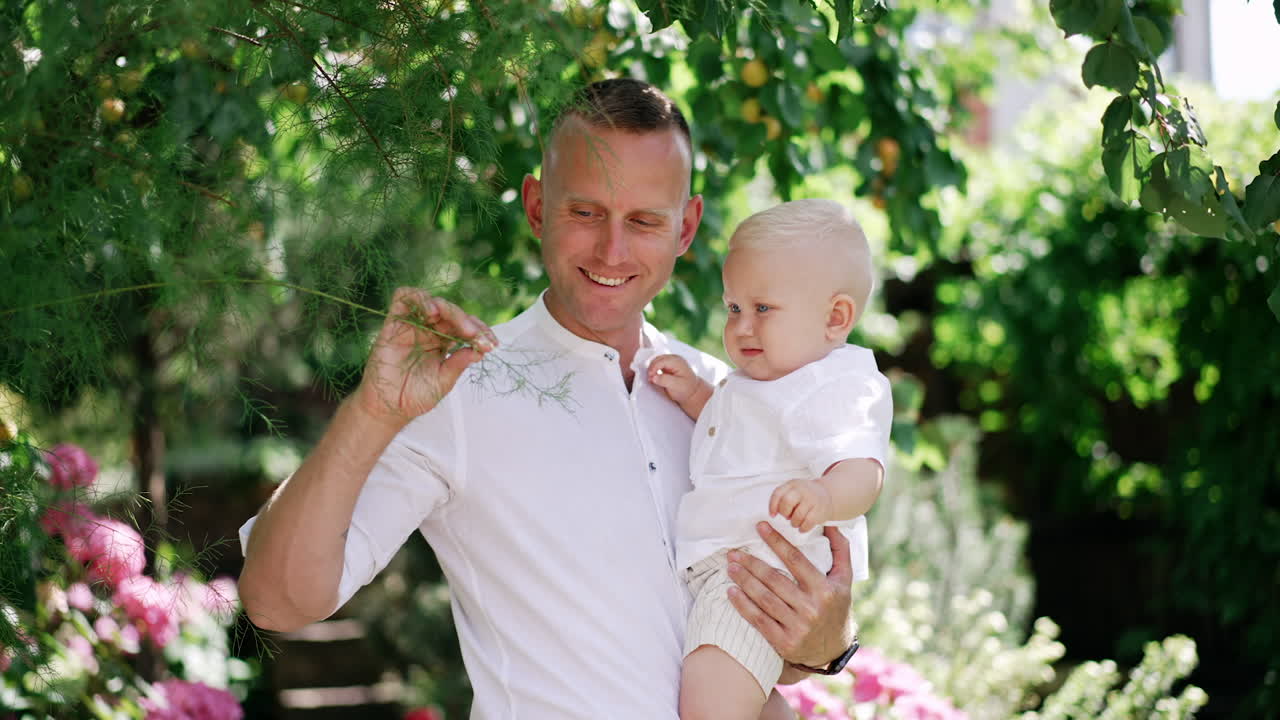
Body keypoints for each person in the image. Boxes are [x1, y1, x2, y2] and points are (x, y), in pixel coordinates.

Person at [236, 79, 859, 719]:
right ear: (537, 207)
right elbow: (278, 601)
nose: (612, 250)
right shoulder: (453, 390)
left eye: (644, 220)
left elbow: (766, 621)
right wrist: (370, 414)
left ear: (686, 227)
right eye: (585, 213)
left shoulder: (728, 399)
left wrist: (827, 646)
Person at [646, 199, 892, 719]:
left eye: (762, 309)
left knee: (711, 703)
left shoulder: (836, 383)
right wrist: (692, 391)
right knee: (747, 700)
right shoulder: (760, 382)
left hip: (760, 578)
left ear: (835, 317)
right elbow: (726, 428)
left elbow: (864, 471)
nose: (740, 327)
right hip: (733, 577)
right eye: (734, 308)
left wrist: (824, 496)